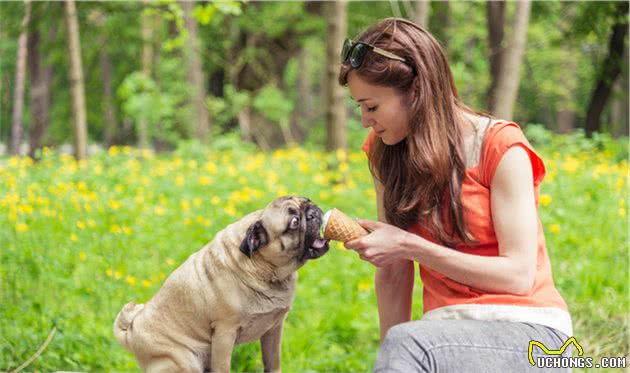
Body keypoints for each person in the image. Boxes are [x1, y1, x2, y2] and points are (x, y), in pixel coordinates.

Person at [339, 18, 573, 372]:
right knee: (404, 343)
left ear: (416, 91)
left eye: (371, 106)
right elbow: (393, 272)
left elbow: (518, 275)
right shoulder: (383, 151)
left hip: (530, 333)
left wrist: (411, 245)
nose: (364, 120)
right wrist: (392, 358)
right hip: (441, 336)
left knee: (409, 343)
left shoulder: (501, 147)